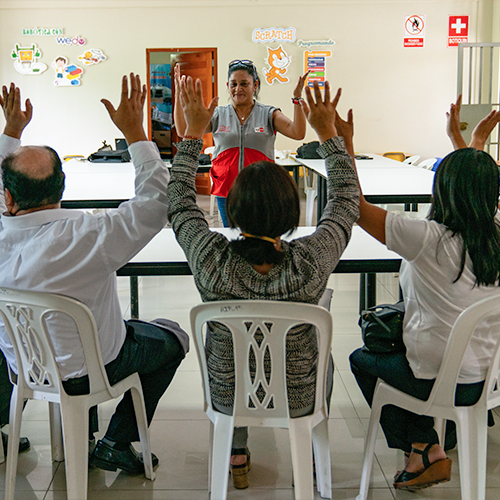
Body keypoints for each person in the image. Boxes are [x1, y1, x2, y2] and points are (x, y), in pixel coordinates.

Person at [167, 76, 359, 489]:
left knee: (231, 356)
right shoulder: (310, 263)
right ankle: (307, 447)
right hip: (298, 396)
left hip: (227, 395)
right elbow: (345, 202)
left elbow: (179, 202)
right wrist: (330, 136)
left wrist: (190, 135)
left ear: (231, 209)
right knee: (323, 356)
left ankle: (236, 451)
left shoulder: (210, 259)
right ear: (291, 212)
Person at [0, 75, 188, 474]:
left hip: (25, 369)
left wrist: (11, 131)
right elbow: (155, 203)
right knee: (172, 338)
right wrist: (136, 132)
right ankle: (117, 441)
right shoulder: (90, 236)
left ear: (9, 196)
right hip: (92, 371)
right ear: (61, 188)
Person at [345, 94, 500, 490]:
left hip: (438, 379)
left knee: (364, 358)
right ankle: (426, 454)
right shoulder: (495, 235)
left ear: (442, 188)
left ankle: (424, 444)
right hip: (486, 380)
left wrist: (340, 141)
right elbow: (476, 186)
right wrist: (468, 145)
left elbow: (355, 206)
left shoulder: (426, 239)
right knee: (406, 345)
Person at [174, 60, 309, 227]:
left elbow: (298, 133)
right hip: (227, 190)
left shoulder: (269, 114)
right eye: (234, 84)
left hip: (261, 189)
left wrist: (297, 99)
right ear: (228, 85)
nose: (238, 89)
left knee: (259, 235)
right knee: (232, 235)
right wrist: (179, 96)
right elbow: (182, 131)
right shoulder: (218, 114)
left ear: (255, 85)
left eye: (244, 83)